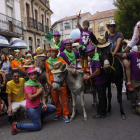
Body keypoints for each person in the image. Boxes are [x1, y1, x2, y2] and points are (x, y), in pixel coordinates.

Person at [11, 67, 56, 135]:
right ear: (28, 76)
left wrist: (44, 104)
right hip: (32, 109)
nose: (34, 76)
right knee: (37, 127)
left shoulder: (38, 83)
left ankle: (39, 118)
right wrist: (39, 92)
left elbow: (42, 96)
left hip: (39, 106)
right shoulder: (27, 85)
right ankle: (17, 125)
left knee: (53, 108)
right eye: (32, 74)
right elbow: (31, 97)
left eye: (35, 74)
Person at [45, 45, 70, 123]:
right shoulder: (47, 61)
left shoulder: (61, 60)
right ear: (50, 53)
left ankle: (66, 114)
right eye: (52, 52)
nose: (54, 53)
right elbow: (47, 72)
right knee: (55, 99)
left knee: (64, 99)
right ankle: (58, 113)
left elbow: (67, 67)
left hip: (61, 83)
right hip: (52, 83)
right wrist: (48, 81)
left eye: (56, 52)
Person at [114, 44, 140, 115]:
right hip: (134, 78)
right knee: (133, 93)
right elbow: (122, 56)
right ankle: (134, 106)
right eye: (139, 47)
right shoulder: (133, 54)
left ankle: (138, 105)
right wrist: (115, 53)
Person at [83, 45, 107, 118]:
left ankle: (101, 113)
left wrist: (88, 77)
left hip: (100, 81)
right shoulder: (93, 57)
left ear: (94, 51)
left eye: (91, 51)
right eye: (88, 52)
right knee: (101, 96)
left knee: (101, 97)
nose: (89, 53)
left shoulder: (96, 58)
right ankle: (102, 109)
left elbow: (97, 72)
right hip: (97, 81)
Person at [122, 22, 140, 91]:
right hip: (136, 55)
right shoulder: (136, 36)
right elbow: (130, 45)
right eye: (139, 27)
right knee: (127, 63)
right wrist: (122, 53)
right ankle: (129, 82)